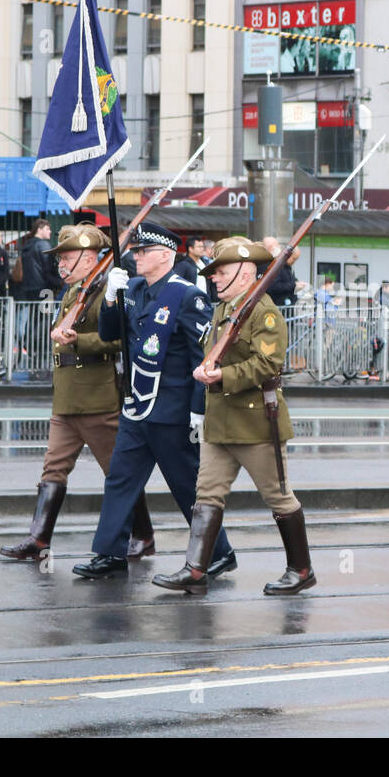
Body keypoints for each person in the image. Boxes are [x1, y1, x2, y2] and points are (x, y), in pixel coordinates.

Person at [74, 223, 237, 580]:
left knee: (185, 485)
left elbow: (202, 357)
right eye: (135, 251)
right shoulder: (132, 288)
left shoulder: (187, 296)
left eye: (143, 251)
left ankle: (219, 552)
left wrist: (198, 408)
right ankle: (110, 553)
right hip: (137, 404)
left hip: (173, 409)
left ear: (165, 256)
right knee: (120, 478)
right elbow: (108, 334)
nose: (135, 256)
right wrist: (112, 299)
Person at [154, 236, 312, 596]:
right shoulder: (223, 309)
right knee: (206, 494)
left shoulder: (264, 311)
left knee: (279, 497)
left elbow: (268, 364)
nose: (212, 278)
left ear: (244, 273)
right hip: (220, 420)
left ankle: (301, 569)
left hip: (256, 423)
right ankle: (195, 569)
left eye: (219, 271)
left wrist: (223, 375)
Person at [0, 223, 151, 563]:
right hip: (67, 399)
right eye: (60, 259)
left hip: (98, 399)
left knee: (118, 472)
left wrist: (79, 340)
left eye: (66, 258)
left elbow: (121, 340)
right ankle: (38, 540)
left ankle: (143, 535)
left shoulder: (109, 292)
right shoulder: (73, 292)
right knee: (53, 469)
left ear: (89, 258)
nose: (60, 265)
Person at [261, 236, 297, 307]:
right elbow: (273, 286)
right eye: (277, 245)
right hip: (275, 304)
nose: (279, 248)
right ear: (271, 247)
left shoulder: (279, 264)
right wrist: (294, 285)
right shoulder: (267, 265)